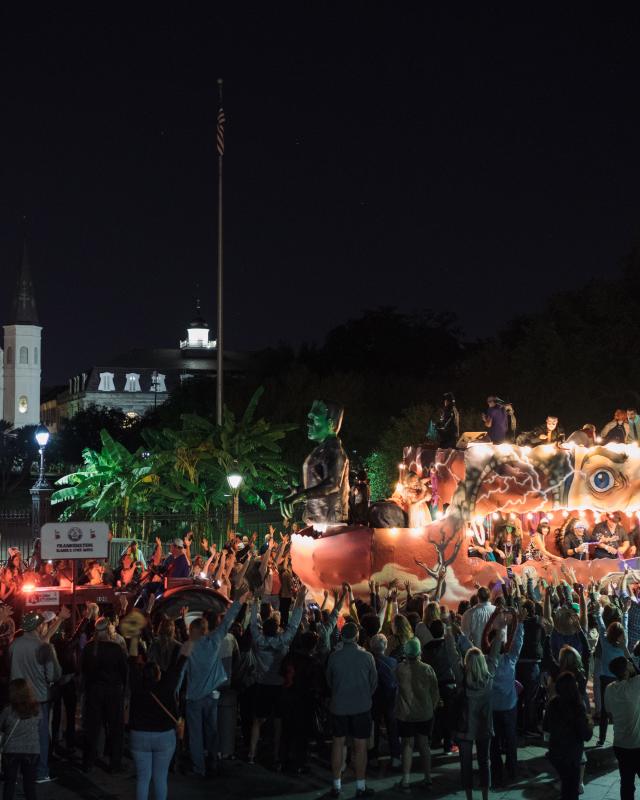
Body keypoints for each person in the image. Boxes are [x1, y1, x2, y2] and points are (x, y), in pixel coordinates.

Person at [180, 595, 246, 776]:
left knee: (195, 735)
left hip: (193, 696)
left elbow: (180, 671)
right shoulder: (215, 640)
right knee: (212, 730)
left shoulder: (188, 645)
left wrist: (176, 690)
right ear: (207, 628)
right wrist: (240, 601)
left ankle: (199, 768)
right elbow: (228, 621)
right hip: (212, 695)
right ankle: (214, 762)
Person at [445, 616, 504, 800]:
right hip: (484, 726)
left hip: (465, 728)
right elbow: (494, 650)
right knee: (484, 762)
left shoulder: (462, 678)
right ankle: (485, 796)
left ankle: (470, 797)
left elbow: (453, 654)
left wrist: (449, 632)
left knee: (466, 764)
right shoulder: (490, 675)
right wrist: (501, 629)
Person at [248, 586, 306, 767]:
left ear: (263, 629)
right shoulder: (283, 642)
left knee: (258, 721)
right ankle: (276, 756)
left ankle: (251, 754)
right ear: (277, 629)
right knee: (279, 723)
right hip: (279, 686)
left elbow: (251, 624)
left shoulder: (258, 641)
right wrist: (299, 601)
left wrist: (255, 602)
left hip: (262, 684)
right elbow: (294, 624)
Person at [10, 609, 65, 783]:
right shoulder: (44, 647)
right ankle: (41, 772)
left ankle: (18, 772)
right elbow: (54, 675)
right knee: (41, 737)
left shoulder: (14, 645)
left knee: (20, 736)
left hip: (18, 697)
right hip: (39, 699)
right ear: (39, 626)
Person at [128, 634, 185, 800]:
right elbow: (179, 665)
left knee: (143, 779)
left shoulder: (137, 686)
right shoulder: (167, 688)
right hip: (164, 736)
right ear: (158, 675)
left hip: (139, 735)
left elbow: (131, 663)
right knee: (160, 778)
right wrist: (189, 644)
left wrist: (133, 639)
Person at [325, 621, 378, 799]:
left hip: (339, 706)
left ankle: (336, 785)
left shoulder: (334, 657)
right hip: (361, 706)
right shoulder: (367, 657)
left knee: (338, 744)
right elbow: (373, 683)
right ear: (356, 636)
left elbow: (329, 682)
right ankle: (360, 786)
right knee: (361, 747)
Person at [81, 616, 128, 773]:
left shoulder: (88, 648)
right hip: (113, 692)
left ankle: (88, 762)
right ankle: (115, 764)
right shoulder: (115, 649)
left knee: (93, 728)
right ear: (108, 629)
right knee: (115, 729)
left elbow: (83, 670)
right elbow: (124, 671)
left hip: (94, 692)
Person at [394, 637, 439, 792]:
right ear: (419, 651)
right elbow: (435, 692)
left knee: (407, 745)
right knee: (424, 745)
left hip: (405, 714)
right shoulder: (427, 669)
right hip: (425, 713)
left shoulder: (399, 668)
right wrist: (431, 708)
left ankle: (406, 779)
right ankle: (428, 778)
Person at [544, 672, 593, 800]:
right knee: (571, 789)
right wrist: (590, 725)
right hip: (572, 755)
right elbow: (586, 735)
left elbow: (545, 728)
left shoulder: (552, 703)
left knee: (566, 786)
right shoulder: (577, 706)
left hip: (556, 753)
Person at [489, 611, 524, 785]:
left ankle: (496, 771)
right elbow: (518, 643)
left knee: (494, 741)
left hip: (494, 707)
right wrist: (520, 624)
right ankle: (512, 770)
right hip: (509, 706)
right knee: (510, 739)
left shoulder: (489, 663)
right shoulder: (510, 660)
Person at [593, 596, 629, 746]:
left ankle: (601, 738)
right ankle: (621, 738)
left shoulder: (604, 641)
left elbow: (601, 626)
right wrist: (626, 612)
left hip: (605, 679)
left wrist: (596, 612)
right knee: (620, 710)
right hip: (619, 678)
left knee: (605, 712)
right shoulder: (623, 643)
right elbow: (625, 626)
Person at [0, 678, 41, 800]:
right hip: (32, 750)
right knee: (30, 787)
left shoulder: (8, 711)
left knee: (9, 785)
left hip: (11, 751)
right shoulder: (36, 709)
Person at [605, 656, 640, 800]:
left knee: (626, 783)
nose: (632, 663)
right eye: (629, 663)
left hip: (620, 745)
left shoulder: (610, 689)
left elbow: (609, 712)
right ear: (626, 671)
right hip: (637, 745)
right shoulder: (635, 684)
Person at [516, 600, 545, 735]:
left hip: (519, 664)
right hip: (532, 665)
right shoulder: (538, 622)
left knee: (519, 696)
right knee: (531, 698)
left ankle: (519, 724)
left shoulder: (518, 624)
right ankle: (530, 726)